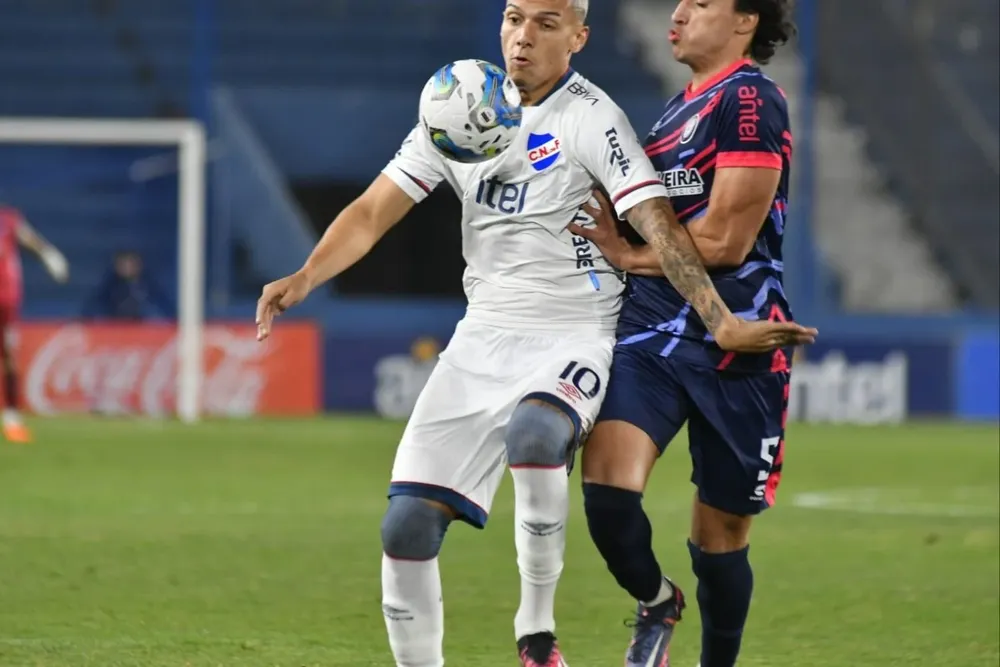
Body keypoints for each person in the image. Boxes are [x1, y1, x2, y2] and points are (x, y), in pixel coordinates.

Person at [256, 1, 814, 665]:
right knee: (405, 526)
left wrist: (719, 319)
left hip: (577, 331)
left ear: (578, 37)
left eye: (545, 23)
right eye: (515, 18)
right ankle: (645, 601)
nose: (523, 36)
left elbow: (663, 221)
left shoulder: (595, 116)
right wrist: (306, 275)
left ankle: (538, 635)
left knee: (554, 443)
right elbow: (376, 208)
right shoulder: (459, 107)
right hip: (485, 337)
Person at [566, 1, 801, 665]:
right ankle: (656, 599)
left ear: (745, 20)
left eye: (700, 2)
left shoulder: (749, 99)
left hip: (739, 340)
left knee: (720, 536)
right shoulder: (672, 113)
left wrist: (630, 254)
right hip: (649, 331)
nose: (677, 12)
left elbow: (727, 240)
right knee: (608, 496)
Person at [0, 204, 69, 443]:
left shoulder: (7, 219)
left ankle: (11, 419)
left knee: (9, 357)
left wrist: (48, 255)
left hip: (7, 301)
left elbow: (28, 238)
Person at [82, 251, 174, 321]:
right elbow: (94, 309)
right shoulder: (108, 287)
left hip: (143, 329)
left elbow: (164, 309)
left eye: (130, 264)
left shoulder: (149, 286)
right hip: (115, 329)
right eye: (123, 264)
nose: (127, 268)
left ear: (138, 265)